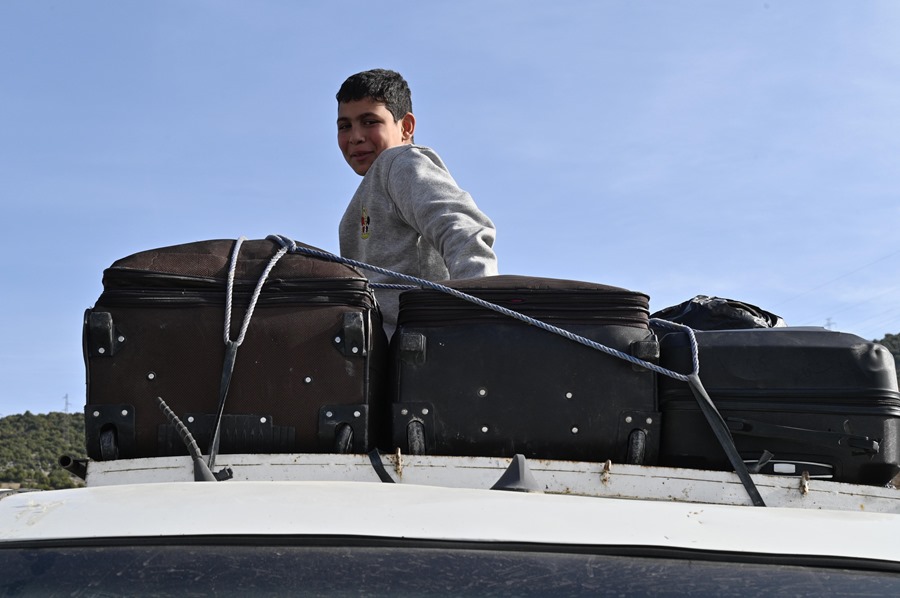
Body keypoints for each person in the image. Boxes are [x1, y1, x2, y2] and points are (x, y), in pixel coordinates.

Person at [336, 69, 498, 334]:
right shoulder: (362, 200)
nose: (355, 136)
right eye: (345, 126)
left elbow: (464, 231)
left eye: (369, 121)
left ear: (406, 127)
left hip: (424, 349)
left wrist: (481, 319)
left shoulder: (400, 164)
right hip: (385, 357)